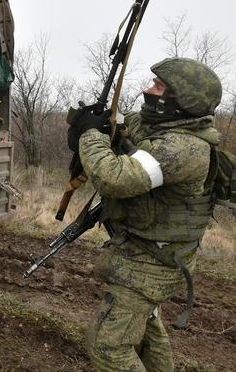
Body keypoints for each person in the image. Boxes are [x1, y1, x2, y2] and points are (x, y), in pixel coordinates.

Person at [67, 57, 223, 372]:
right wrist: (108, 119)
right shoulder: (173, 128)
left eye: (159, 87)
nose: (148, 90)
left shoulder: (182, 149)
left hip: (150, 266)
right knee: (147, 329)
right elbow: (137, 124)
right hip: (160, 257)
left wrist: (90, 135)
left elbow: (112, 178)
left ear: (180, 100)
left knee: (107, 346)